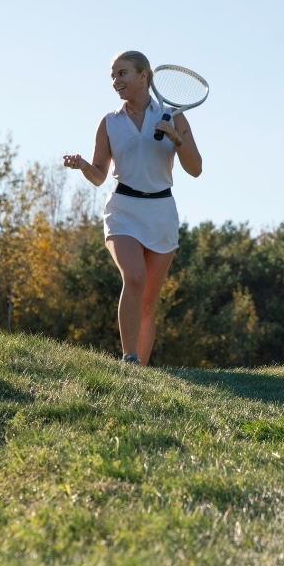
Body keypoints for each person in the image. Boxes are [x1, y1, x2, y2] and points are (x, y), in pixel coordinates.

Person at [63, 50, 203, 365]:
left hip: (161, 213)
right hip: (123, 209)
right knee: (135, 278)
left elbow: (196, 168)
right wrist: (84, 165)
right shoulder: (109, 122)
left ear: (144, 76)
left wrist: (174, 139)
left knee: (149, 303)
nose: (116, 81)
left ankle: (140, 375)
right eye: (113, 76)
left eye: (122, 74)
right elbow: (99, 176)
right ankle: (128, 359)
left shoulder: (173, 117)